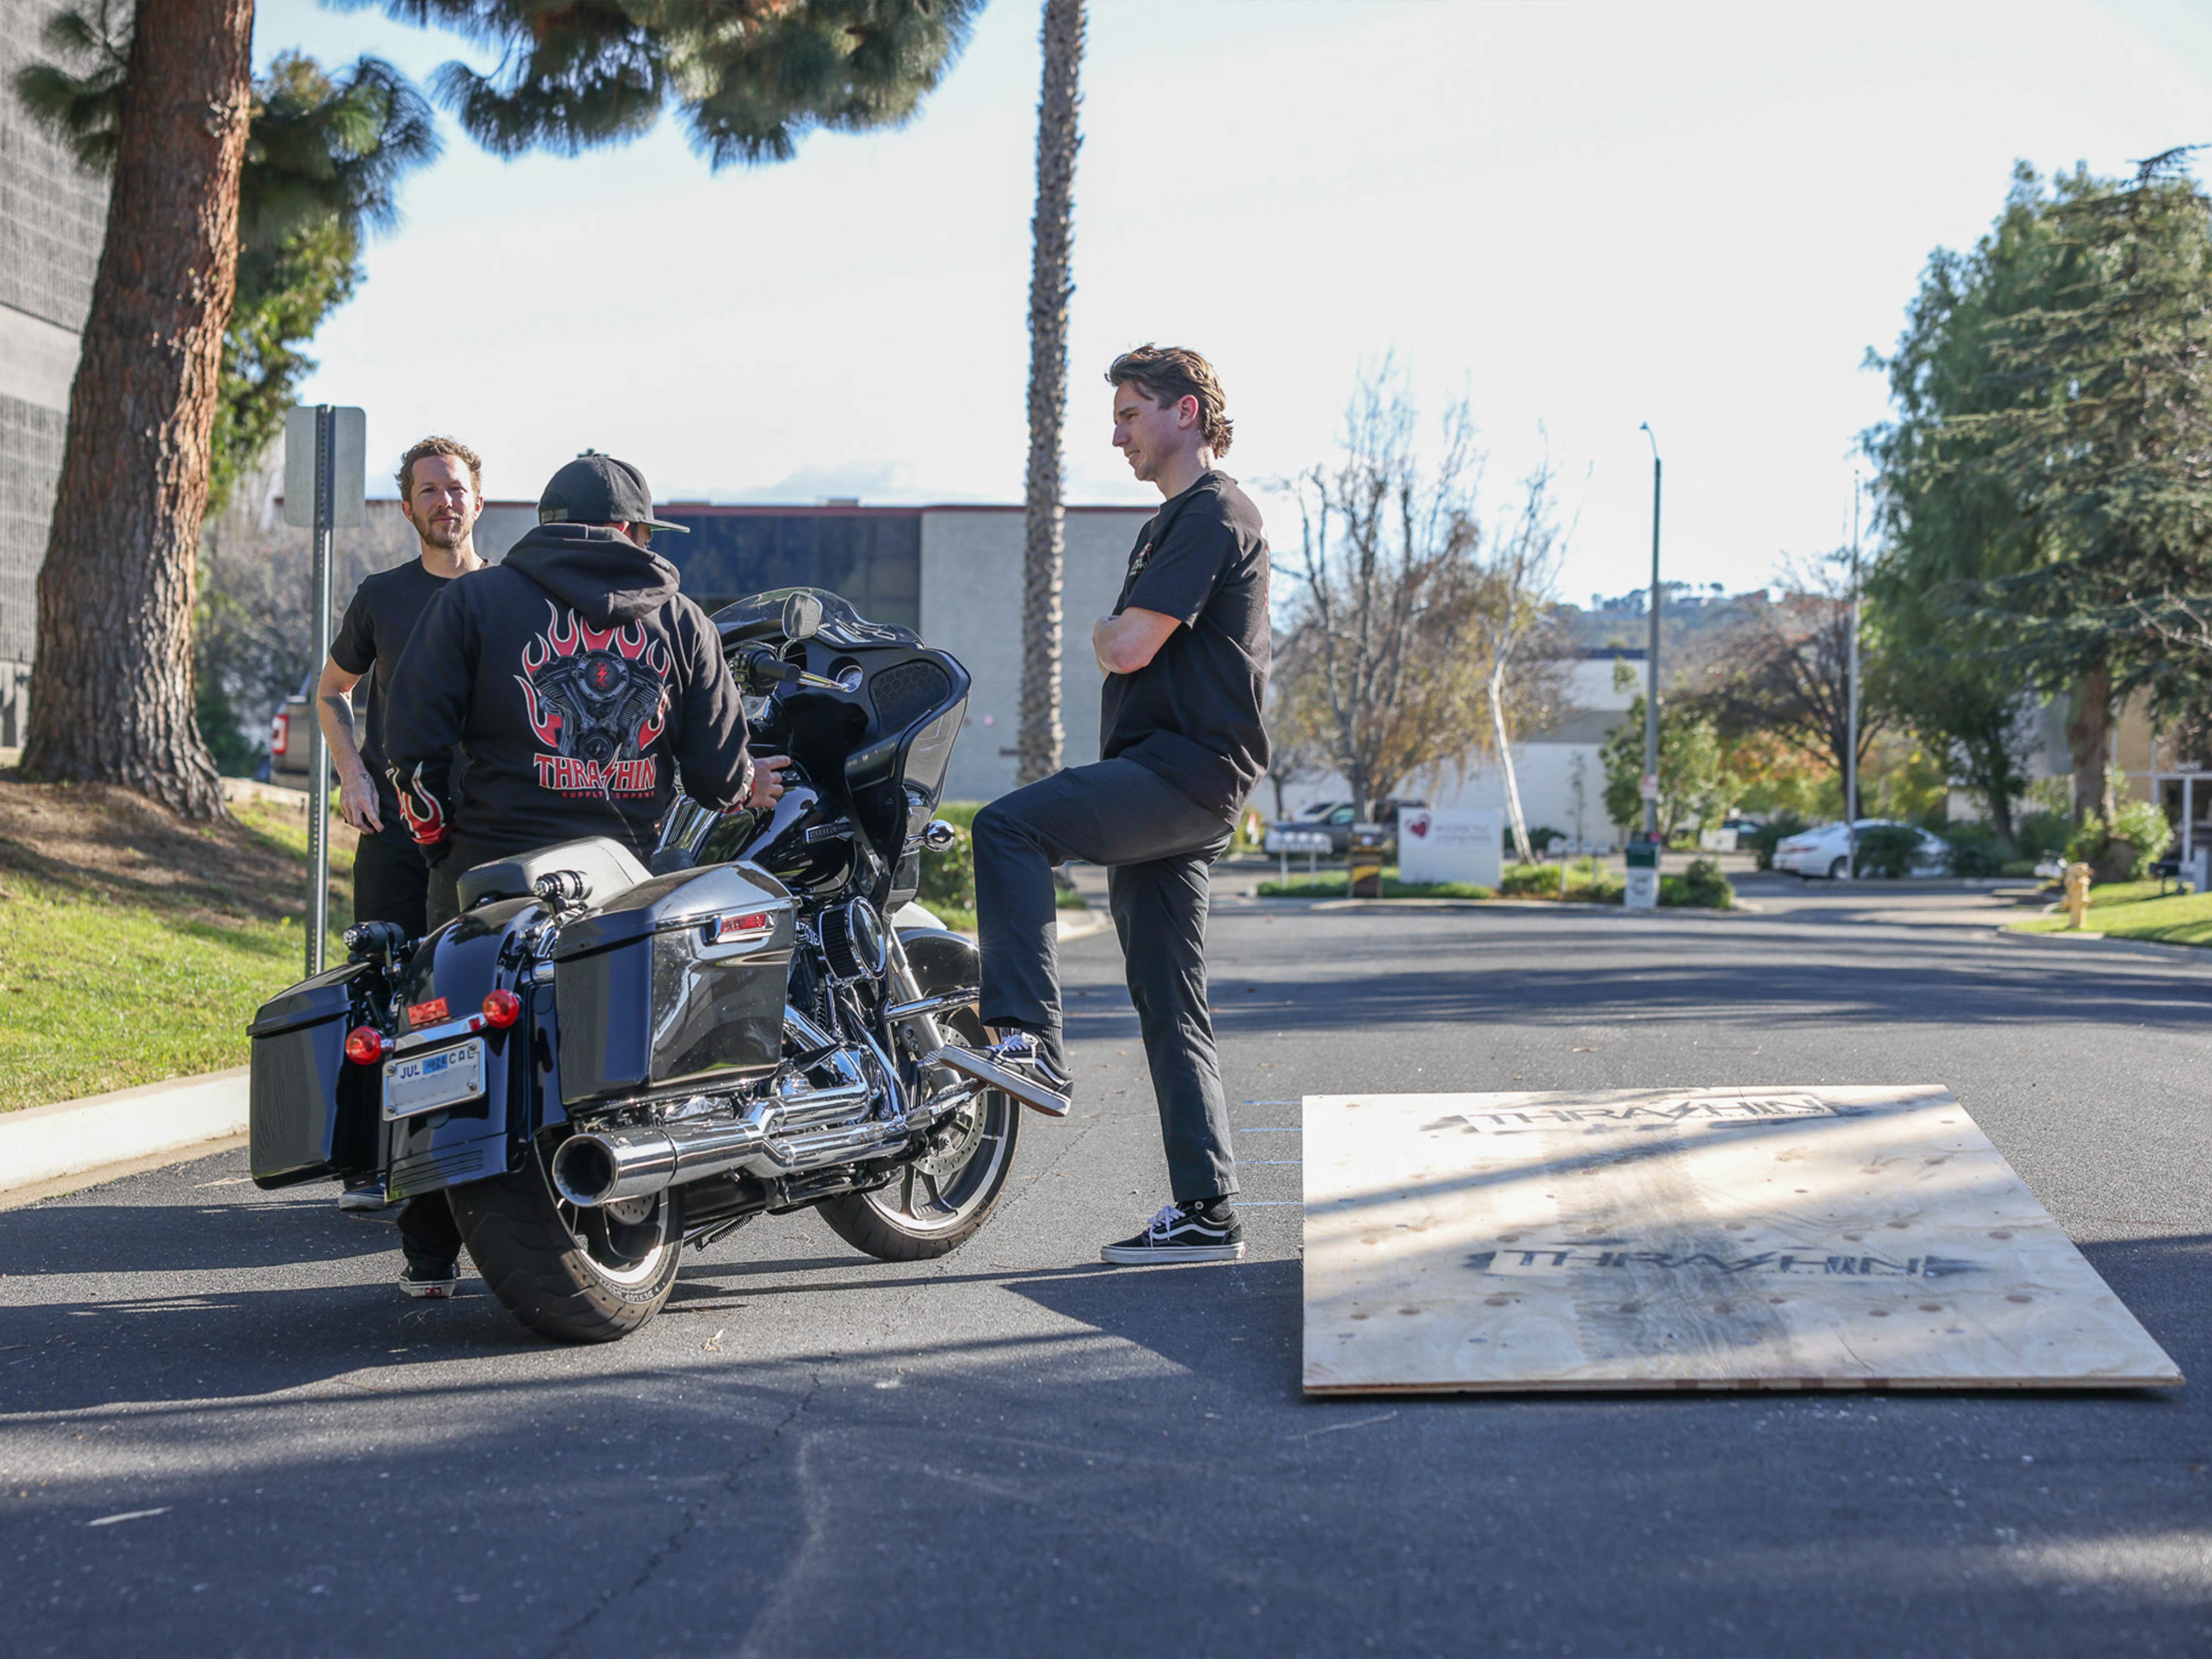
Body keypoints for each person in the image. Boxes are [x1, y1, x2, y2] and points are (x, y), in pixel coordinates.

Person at [377, 452, 786, 1297]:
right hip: (621, 880)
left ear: (544, 523)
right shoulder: (679, 618)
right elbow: (716, 779)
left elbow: (409, 745)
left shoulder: (473, 600)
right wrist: (750, 780)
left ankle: (427, 1255)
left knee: (436, 1038)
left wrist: (441, 840)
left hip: (490, 873)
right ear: (633, 532)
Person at [972, 346, 1270, 1265]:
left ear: (1186, 412)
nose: (1117, 434)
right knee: (1169, 1002)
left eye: (1131, 414)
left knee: (1008, 824)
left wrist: (1111, 633)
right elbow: (1127, 640)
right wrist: (1115, 634)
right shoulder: (1175, 522)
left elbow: (1128, 645)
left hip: (1183, 772)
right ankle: (1205, 1209)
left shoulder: (1212, 511)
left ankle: (1027, 1038)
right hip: (1172, 775)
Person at [318, 437, 486, 938]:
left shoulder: (510, 597)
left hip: (485, 830)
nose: (445, 502)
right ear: (408, 509)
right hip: (394, 829)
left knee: (474, 990)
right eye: (429, 490)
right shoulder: (381, 596)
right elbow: (332, 689)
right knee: (381, 978)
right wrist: (352, 775)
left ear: (478, 502)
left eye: (456, 489)